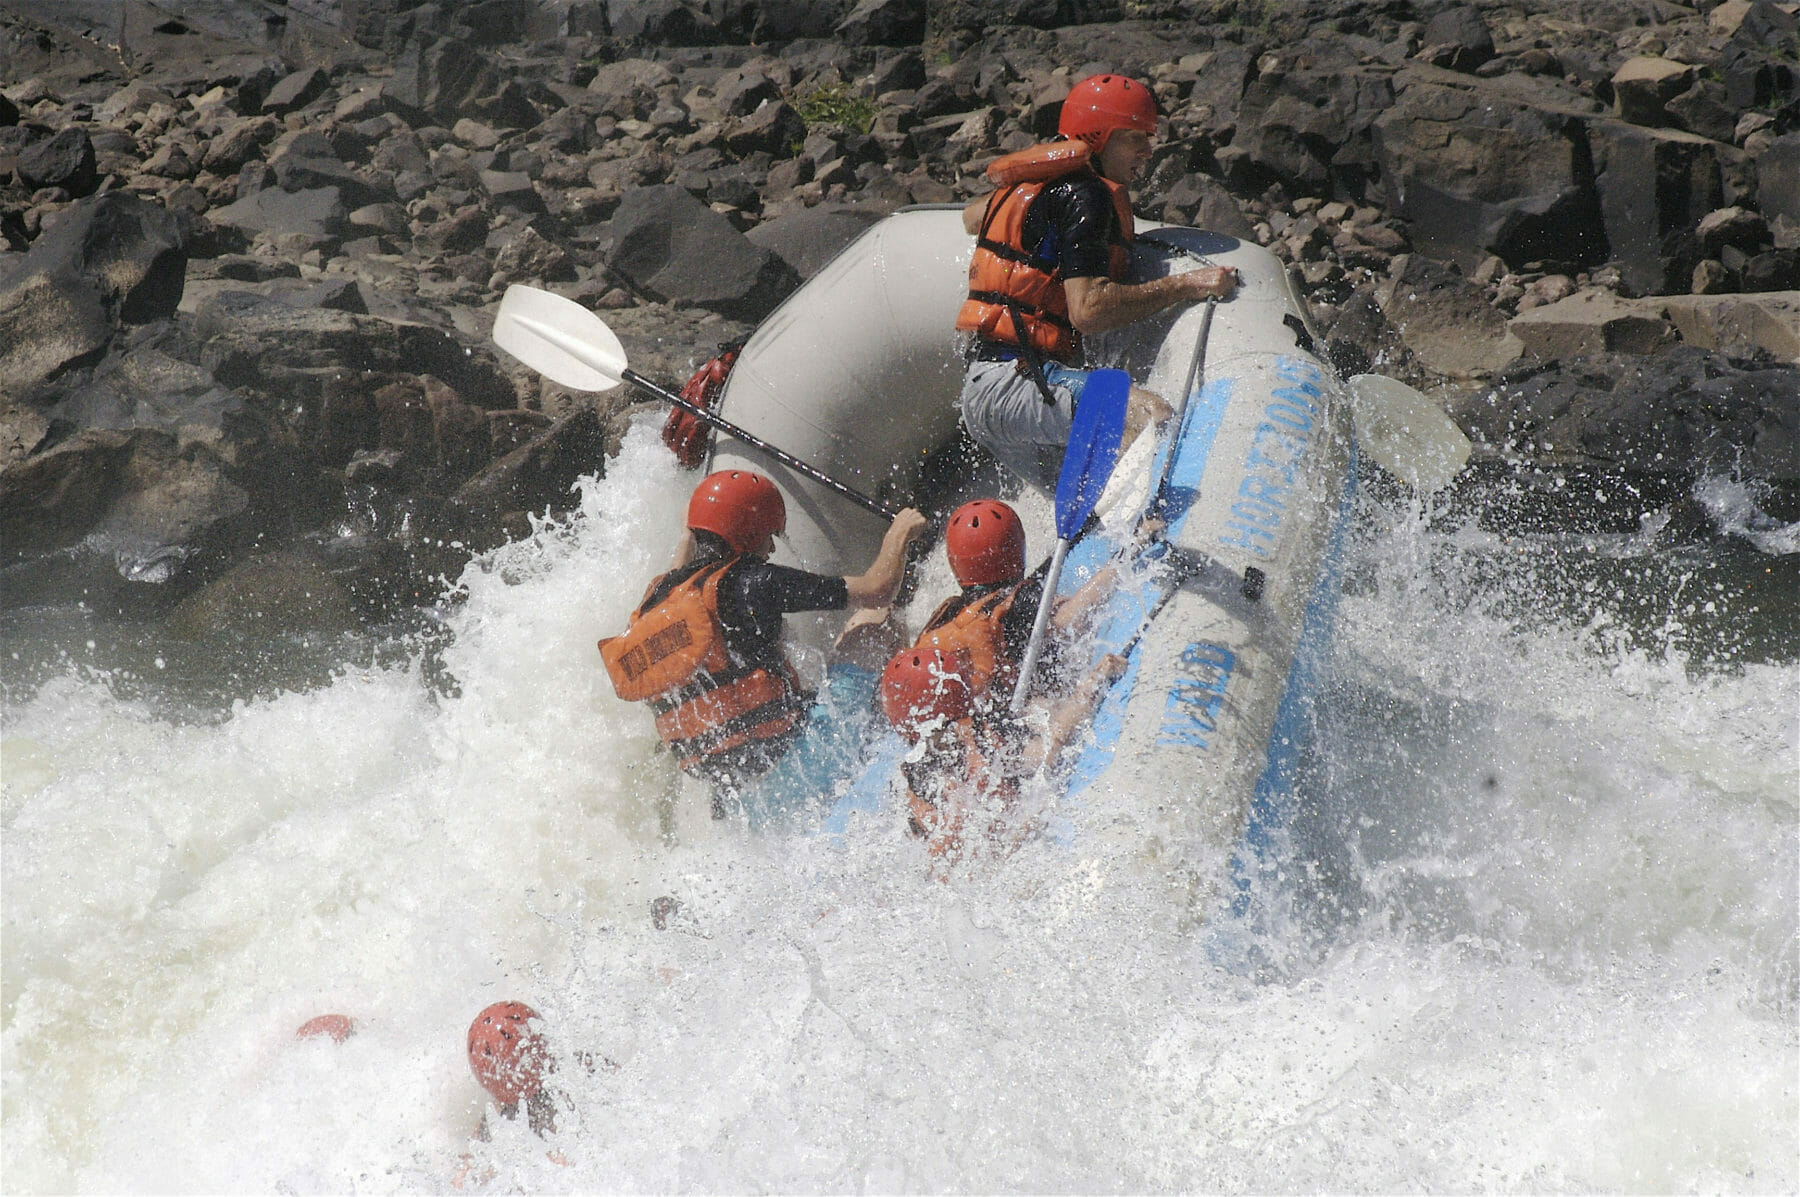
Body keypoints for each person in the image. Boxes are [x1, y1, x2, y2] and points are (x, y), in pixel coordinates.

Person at [955, 73, 1239, 494]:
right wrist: (1188, 285)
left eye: (1148, 137)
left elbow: (972, 217)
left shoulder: (1041, 186)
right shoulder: (1083, 195)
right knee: (1149, 416)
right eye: (1134, 139)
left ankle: (1108, 552)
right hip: (1015, 385)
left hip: (990, 394)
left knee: (1093, 510)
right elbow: (1087, 311)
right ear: (1099, 138)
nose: (1148, 150)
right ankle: (1143, 542)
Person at [600, 469, 926, 813]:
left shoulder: (656, 600)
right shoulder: (755, 581)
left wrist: (688, 533)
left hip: (734, 803)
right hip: (800, 770)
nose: (771, 547)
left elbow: (677, 569)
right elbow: (878, 589)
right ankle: (897, 723)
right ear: (747, 533)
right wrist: (899, 534)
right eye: (769, 534)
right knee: (872, 623)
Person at [879, 645, 1127, 866]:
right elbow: (1051, 748)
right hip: (1006, 852)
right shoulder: (981, 733)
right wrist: (1094, 681)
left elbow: (927, 851)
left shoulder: (904, 780)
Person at [911, 497, 1116, 706]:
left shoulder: (947, 613)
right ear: (1017, 546)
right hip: (1021, 714)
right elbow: (1069, 619)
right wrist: (1127, 555)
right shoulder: (1019, 605)